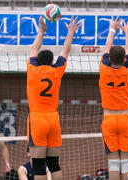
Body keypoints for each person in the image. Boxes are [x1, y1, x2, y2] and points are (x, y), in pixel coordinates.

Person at [26, 16, 80, 180]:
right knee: (54, 163)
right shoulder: (57, 71)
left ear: (37, 61)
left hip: (37, 119)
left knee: (38, 164)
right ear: (51, 62)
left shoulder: (32, 70)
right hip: (53, 119)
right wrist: (70, 31)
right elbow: (66, 50)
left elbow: (34, 48)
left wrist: (42, 30)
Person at [99, 16, 128, 180]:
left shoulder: (104, 69)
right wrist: (127, 32)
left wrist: (112, 29)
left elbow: (106, 47)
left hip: (110, 119)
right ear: (124, 59)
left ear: (110, 59)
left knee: (113, 163)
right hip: (125, 118)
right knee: (126, 163)